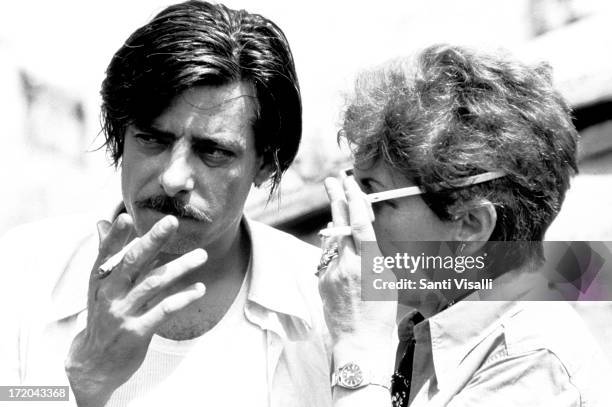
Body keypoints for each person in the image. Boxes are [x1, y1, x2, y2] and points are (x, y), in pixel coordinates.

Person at [0, 2, 331, 406]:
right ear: (121, 134)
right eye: (153, 139)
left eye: (212, 152)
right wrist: (82, 382)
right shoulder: (19, 274)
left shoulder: (326, 305)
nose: (174, 178)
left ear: (264, 164)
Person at [318, 44, 612, 406]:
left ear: (470, 224)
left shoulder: (530, 362)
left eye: (371, 199)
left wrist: (356, 348)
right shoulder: (421, 333)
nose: (349, 220)